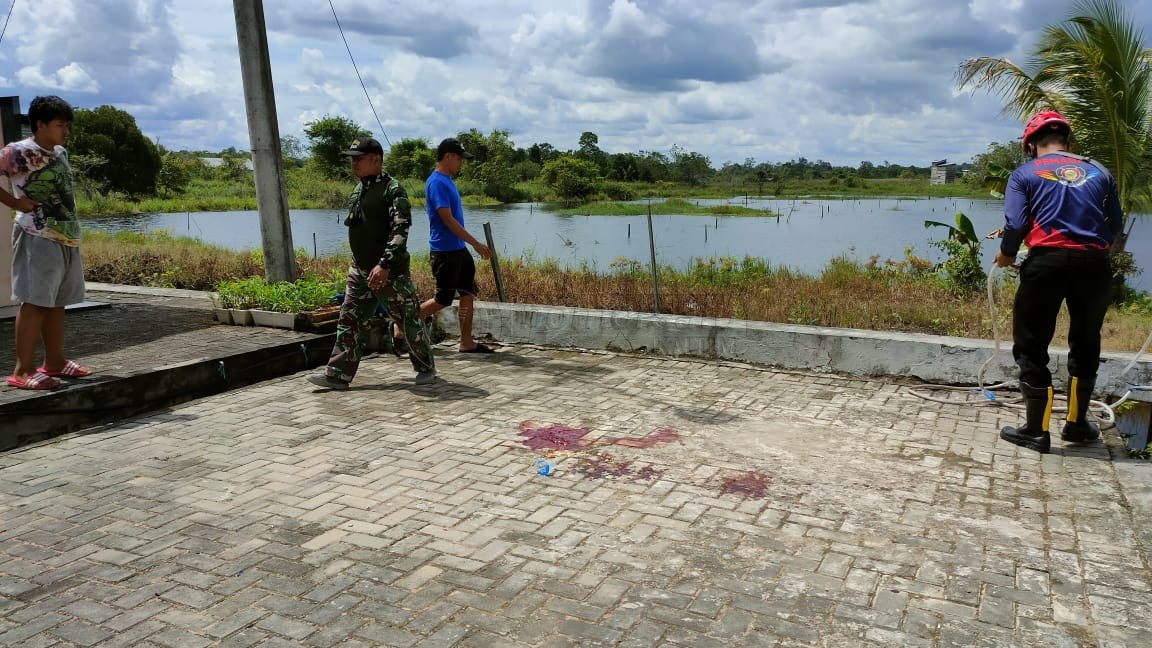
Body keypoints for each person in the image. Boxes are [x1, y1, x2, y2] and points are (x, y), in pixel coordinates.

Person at [996, 110, 1124, 453]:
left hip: (1046, 265)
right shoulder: (1100, 171)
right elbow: (1114, 227)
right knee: (1085, 342)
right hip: (1094, 265)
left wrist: (1007, 254)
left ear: (1031, 145)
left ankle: (1036, 431)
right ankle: (1077, 425)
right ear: (1066, 142)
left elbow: (1016, 223)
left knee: (1032, 345)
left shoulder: (1024, 174)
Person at [307, 137, 436, 389]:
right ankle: (338, 375)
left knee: (407, 319)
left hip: (390, 272)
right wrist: (358, 264)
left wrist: (385, 264)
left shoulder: (393, 189)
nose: (353, 164)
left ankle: (425, 367)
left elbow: (400, 231)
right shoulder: (359, 190)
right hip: (360, 271)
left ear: (375, 160)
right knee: (349, 319)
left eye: (358, 159)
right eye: (352, 159)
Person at [1, 95, 91, 391]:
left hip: (66, 236)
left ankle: (54, 361)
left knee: (56, 301)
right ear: (39, 124)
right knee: (35, 301)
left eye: (67, 125)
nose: (65, 131)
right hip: (36, 235)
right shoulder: (18, 151)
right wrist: (15, 202)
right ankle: (22, 370)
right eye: (59, 124)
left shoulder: (60, 151)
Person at [419, 137, 493, 353]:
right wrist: (477, 244)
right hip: (444, 251)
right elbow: (448, 220)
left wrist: (467, 245)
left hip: (458, 249)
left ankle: (466, 341)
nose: (461, 162)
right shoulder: (437, 183)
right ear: (448, 156)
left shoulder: (447, 180)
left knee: (467, 293)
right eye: (459, 158)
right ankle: (404, 323)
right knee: (443, 298)